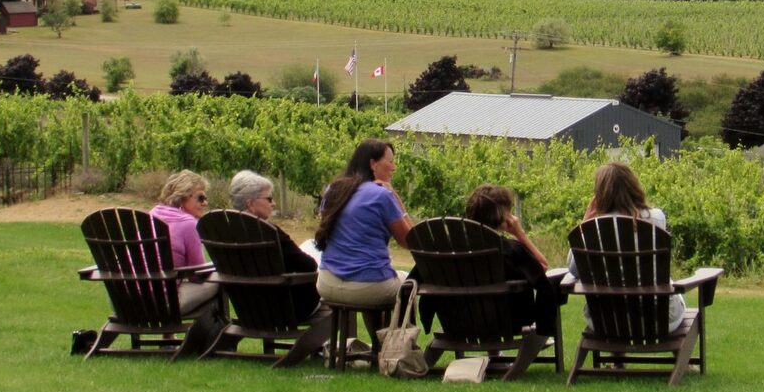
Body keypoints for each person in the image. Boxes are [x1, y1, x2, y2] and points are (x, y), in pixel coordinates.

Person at [414, 184, 559, 336]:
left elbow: (415, 277)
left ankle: (493, 356)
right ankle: (515, 359)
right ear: (502, 217)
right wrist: (520, 234)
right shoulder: (510, 250)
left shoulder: (444, 251)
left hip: (457, 323)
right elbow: (542, 266)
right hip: (508, 322)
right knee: (546, 314)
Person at [567, 162, 685, 333]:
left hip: (606, 321)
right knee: (672, 290)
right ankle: (682, 360)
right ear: (633, 186)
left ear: (600, 194)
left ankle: (617, 359)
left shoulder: (594, 229)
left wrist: (585, 223)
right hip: (660, 319)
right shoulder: (657, 218)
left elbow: (573, 270)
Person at [229, 170, 332, 365]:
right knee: (333, 297)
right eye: (269, 199)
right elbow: (308, 265)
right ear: (250, 203)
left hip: (248, 309)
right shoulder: (270, 233)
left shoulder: (223, 232)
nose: (273, 203)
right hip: (286, 309)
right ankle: (331, 350)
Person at [314, 139, 413, 307]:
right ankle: (400, 334)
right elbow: (409, 240)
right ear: (373, 164)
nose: (394, 167)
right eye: (390, 161)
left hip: (327, 282)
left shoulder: (334, 189)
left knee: (376, 286)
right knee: (409, 283)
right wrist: (396, 197)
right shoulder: (381, 195)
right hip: (367, 286)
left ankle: (379, 334)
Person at [149, 170, 222, 350]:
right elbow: (198, 274)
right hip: (163, 305)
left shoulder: (152, 215)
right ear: (182, 198)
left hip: (127, 300)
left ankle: (168, 338)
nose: (205, 203)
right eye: (200, 198)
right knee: (219, 281)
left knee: (170, 279)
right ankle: (213, 339)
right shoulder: (189, 224)